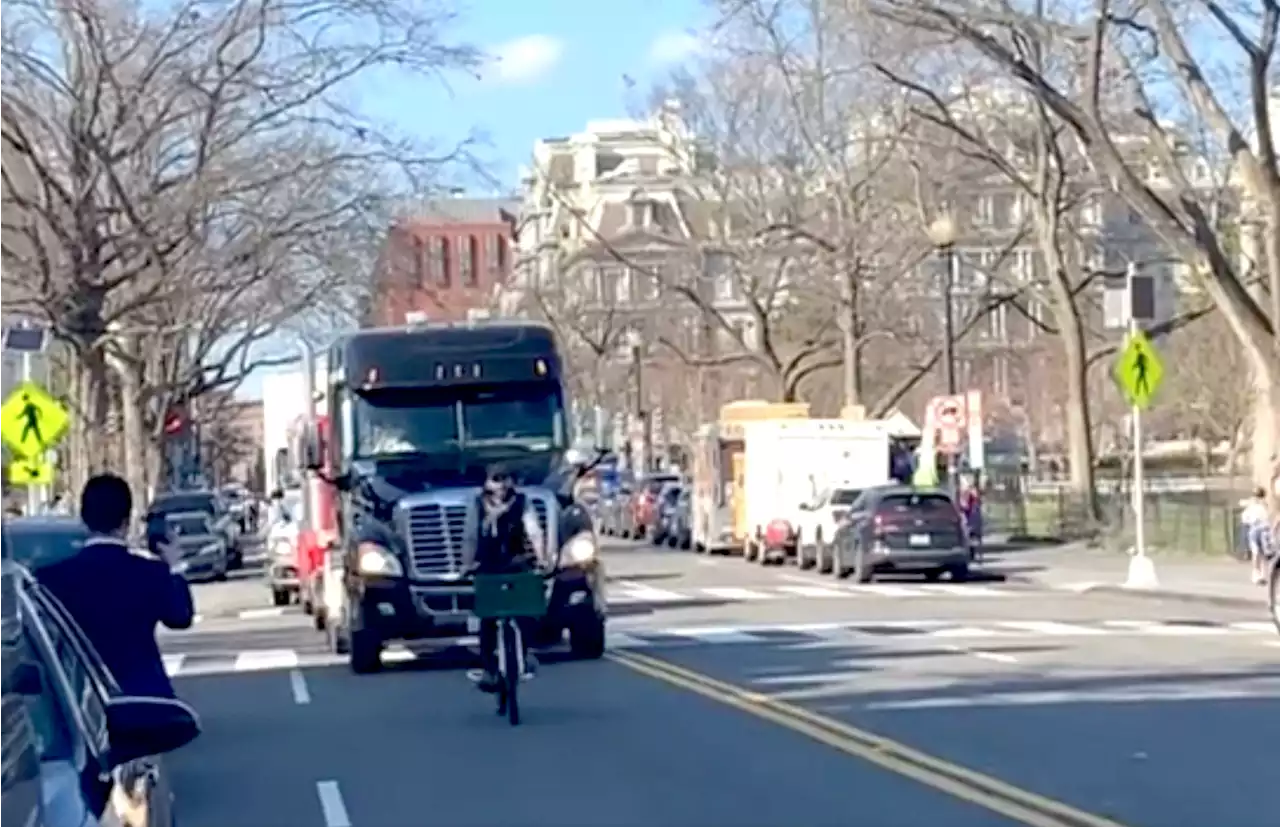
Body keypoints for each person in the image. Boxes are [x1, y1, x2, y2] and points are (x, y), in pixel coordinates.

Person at [37, 474, 195, 698]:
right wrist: (176, 566)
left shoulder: (51, 579)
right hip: (145, 697)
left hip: (81, 699)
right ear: (126, 521)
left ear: (84, 519)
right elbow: (181, 617)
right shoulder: (150, 573)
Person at [464, 464, 546, 693]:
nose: (501, 484)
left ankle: (526, 653)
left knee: (526, 610)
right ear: (486, 483)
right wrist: (467, 564)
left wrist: (541, 559)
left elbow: (534, 531)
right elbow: (470, 536)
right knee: (487, 617)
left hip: (516, 563)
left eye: (505, 478)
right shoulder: (477, 505)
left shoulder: (522, 503)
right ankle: (489, 668)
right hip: (488, 565)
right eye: (495, 479)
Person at [1241, 487, 1271, 585]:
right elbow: (1245, 518)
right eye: (1257, 495)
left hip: (1264, 530)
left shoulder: (1263, 505)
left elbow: (1266, 517)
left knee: (1264, 553)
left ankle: (1263, 574)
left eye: (1260, 495)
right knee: (1256, 552)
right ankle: (1256, 574)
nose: (1258, 498)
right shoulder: (1251, 505)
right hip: (1255, 529)